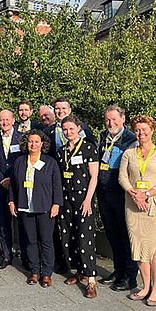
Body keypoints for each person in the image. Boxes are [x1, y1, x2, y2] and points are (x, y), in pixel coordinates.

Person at [119, 116, 156, 307]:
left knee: (154, 248)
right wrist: (134, 194)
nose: (140, 133)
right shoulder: (128, 154)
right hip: (133, 206)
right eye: (137, 130)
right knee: (138, 247)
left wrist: (147, 195)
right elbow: (123, 178)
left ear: (152, 130)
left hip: (154, 207)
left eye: (144, 129)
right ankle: (145, 286)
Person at [9, 130, 62, 287]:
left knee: (46, 241)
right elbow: (13, 184)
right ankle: (34, 271)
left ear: (42, 144)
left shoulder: (50, 162)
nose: (33, 144)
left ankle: (46, 273)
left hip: (44, 207)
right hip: (25, 207)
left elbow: (57, 185)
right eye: (30, 141)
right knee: (30, 241)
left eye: (36, 142)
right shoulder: (19, 161)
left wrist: (56, 204)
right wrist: (11, 201)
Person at [56, 115, 99, 298]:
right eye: (65, 130)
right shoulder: (62, 150)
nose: (68, 132)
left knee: (85, 237)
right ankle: (79, 272)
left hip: (83, 197)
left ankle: (91, 279)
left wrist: (88, 200)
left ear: (78, 128)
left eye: (71, 129)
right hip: (66, 197)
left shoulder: (89, 148)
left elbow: (94, 176)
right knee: (68, 237)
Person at [96, 106, 139, 291]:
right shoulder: (103, 136)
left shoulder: (131, 139)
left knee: (124, 235)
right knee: (112, 234)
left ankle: (130, 276)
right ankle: (118, 270)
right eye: (107, 120)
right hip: (104, 192)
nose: (110, 123)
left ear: (123, 119)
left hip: (121, 194)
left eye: (114, 119)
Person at [0, 109, 23, 269]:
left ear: (13, 120)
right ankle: (7, 255)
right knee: (3, 223)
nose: (4, 122)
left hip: (19, 187)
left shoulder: (22, 137)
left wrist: (13, 179)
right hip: (0, 187)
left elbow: (24, 160)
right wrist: (2, 179)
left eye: (7, 119)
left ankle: (27, 257)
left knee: (23, 223)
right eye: (1, 120)